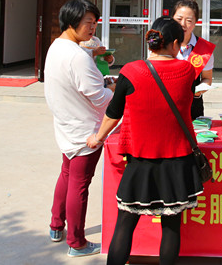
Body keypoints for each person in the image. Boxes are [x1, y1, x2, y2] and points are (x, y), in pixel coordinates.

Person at [87, 17, 203, 265]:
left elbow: (113, 113)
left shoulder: (130, 71)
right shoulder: (187, 71)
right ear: (175, 44)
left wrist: (98, 137)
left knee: (125, 223)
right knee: (171, 227)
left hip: (140, 160)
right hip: (177, 160)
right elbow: (190, 107)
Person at [44, 0, 114, 258]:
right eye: (88, 22)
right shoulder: (77, 56)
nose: (92, 28)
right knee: (79, 184)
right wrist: (114, 88)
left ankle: (56, 225)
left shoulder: (57, 46)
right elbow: (100, 98)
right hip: (86, 130)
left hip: (66, 124)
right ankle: (77, 242)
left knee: (67, 174)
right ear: (72, 22)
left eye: (95, 23)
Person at [172, 0, 215, 120]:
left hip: (193, 106)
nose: (183, 24)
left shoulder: (204, 49)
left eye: (189, 20)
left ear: (196, 22)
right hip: (166, 104)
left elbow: (207, 78)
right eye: (179, 19)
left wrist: (199, 90)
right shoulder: (162, 44)